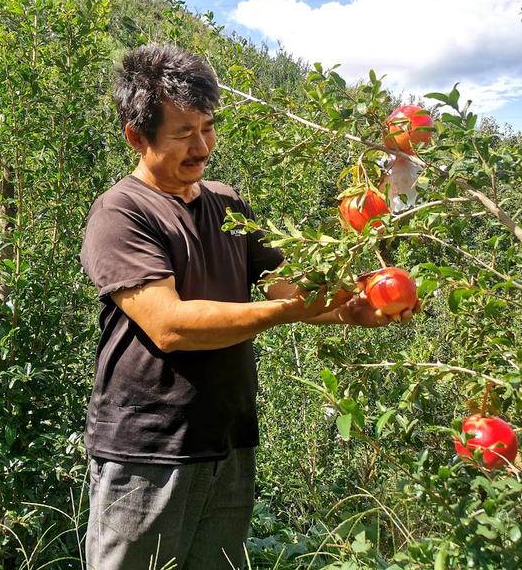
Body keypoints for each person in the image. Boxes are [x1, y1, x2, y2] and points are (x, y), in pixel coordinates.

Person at [80, 43, 416, 570]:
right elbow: (170, 326)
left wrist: (351, 308)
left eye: (208, 127)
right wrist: (288, 313)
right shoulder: (120, 213)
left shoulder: (227, 203)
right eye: (184, 134)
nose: (202, 146)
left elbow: (283, 285)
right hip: (147, 451)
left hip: (229, 440)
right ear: (136, 136)